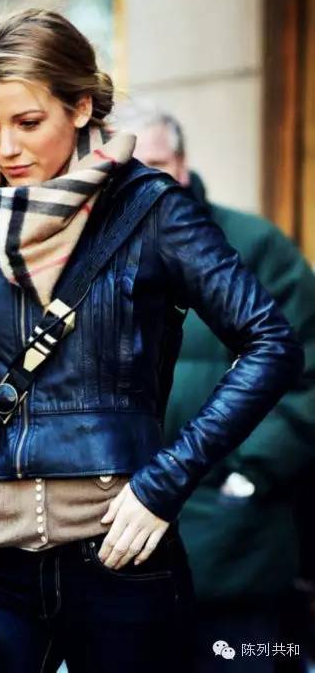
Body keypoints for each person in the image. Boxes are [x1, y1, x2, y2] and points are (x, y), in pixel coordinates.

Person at [0, 9, 304, 673]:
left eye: (27, 122)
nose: (6, 147)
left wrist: (165, 483)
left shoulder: (150, 208)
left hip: (118, 553)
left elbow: (271, 342)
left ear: (78, 107)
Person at [132, 110, 315, 671]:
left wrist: (248, 475)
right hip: (123, 542)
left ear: (182, 164)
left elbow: (305, 372)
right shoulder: (92, 259)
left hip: (232, 541)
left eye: (156, 164)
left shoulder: (255, 246)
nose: (142, 181)